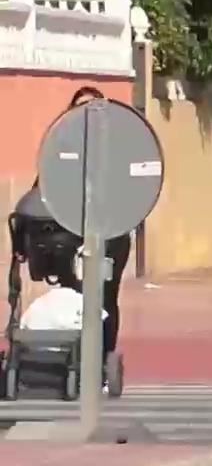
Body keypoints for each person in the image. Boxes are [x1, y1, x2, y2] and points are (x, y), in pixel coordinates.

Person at [8, 86, 133, 358]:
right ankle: (76, 357)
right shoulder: (63, 151)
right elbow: (39, 194)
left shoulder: (114, 152)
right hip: (69, 237)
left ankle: (101, 357)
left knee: (105, 297)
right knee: (77, 296)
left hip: (109, 235)